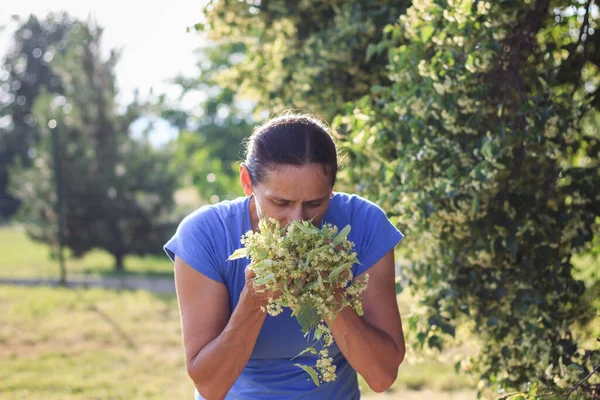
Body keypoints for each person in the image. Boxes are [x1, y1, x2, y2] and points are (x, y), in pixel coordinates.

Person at [164, 113, 405, 399]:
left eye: (315, 203)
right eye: (281, 202)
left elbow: (382, 376)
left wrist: (330, 296)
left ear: (332, 189)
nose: (297, 221)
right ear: (247, 181)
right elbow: (210, 385)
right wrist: (253, 303)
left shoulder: (364, 223)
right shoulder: (204, 234)